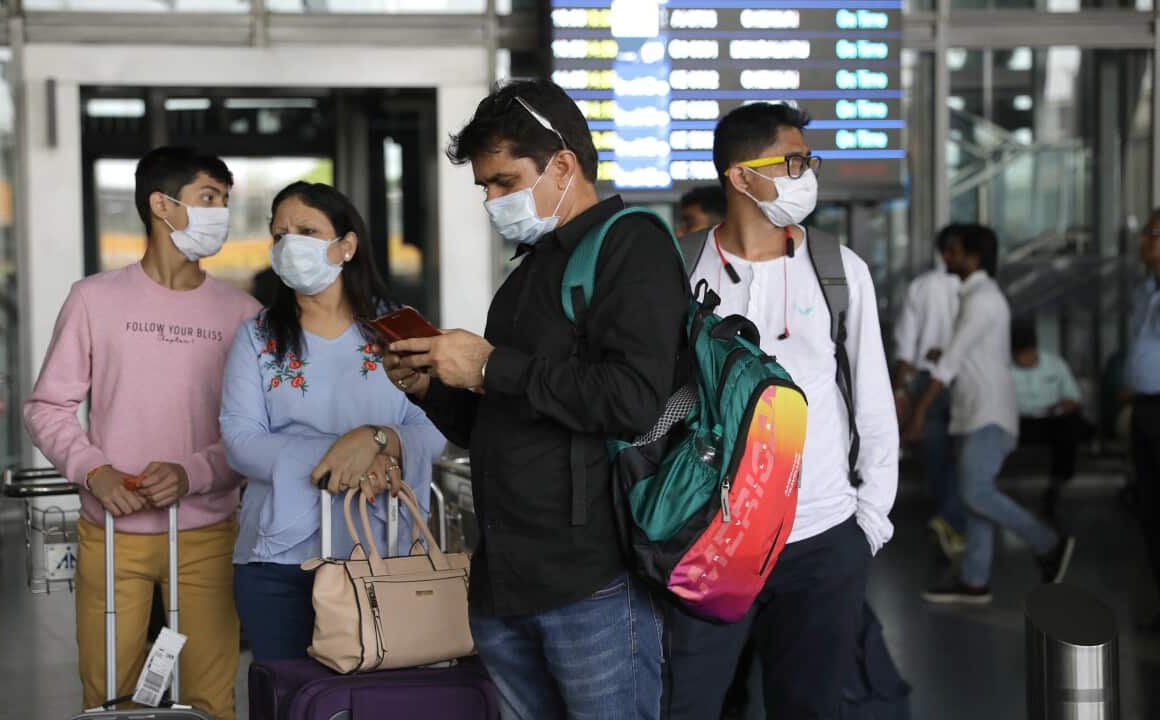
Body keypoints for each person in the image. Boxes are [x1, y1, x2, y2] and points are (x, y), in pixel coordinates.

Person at [383, 79, 686, 719]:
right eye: (484, 187)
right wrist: (431, 385)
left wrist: (493, 366)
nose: (492, 200)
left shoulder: (633, 245)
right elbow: (496, 420)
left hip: (590, 578)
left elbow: (630, 398)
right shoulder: (530, 272)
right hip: (506, 575)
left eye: (503, 181)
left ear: (564, 165)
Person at [665, 102, 900, 720]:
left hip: (822, 541)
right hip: (708, 542)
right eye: (792, 162)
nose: (807, 174)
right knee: (687, 704)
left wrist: (867, 524)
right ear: (741, 177)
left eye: (806, 160)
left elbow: (872, 400)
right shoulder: (677, 268)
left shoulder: (838, 270)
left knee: (809, 708)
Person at [23, 146, 260, 720]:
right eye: (209, 199)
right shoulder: (94, 299)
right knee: (109, 698)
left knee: (213, 700)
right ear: (162, 205)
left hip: (208, 535)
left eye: (225, 202)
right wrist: (94, 471)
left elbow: (258, 431)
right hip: (111, 533)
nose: (221, 215)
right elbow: (47, 406)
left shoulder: (244, 313)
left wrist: (192, 473)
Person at [219, 181, 445, 661]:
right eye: (279, 234)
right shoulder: (256, 338)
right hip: (278, 562)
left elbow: (437, 428)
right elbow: (240, 441)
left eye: (306, 230)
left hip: (384, 553)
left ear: (347, 245)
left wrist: (378, 439)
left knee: (379, 704)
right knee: (292, 699)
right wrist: (352, 454)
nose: (289, 245)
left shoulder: (401, 330)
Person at [909, 224, 1075, 605]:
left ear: (974, 256)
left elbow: (950, 363)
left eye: (953, 251)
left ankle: (1048, 543)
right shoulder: (976, 297)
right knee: (974, 498)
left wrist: (918, 413)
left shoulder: (983, 299)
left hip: (988, 414)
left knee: (975, 491)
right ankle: (974, 581)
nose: (946, 257)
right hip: (976, 413)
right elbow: (965, 353)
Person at [893, 227, 964, 558]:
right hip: (965, 382)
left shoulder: (921, 287)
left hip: (926, 383)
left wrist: (902, 389)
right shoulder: (974, 287)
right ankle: (954, 521)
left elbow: (905, 346)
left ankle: (946, 519)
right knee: (964, 458)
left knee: (937, 456)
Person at [1009, 319, 1095, 519]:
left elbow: (1072, 397)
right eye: (1020, 355)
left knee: (1071, 426)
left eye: (1029, 353)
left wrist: (1061, 407)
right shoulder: (1002, 369)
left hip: (1051, 420)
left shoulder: (1054, 364)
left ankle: (1056, 484)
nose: (1026, 359)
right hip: (1018, 422)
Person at [1129, 209, 1160, 631]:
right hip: (1144, 408)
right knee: (1150, 509)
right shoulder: (1145, 290)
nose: (1143, 242)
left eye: (1152, 234)